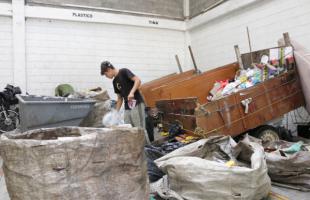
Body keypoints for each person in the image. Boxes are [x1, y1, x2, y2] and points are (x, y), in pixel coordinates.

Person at [100, 61, 147, 131]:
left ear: (109, 70)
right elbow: (119, 98)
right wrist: (115, 112)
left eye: (106, 75)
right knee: (129, 130)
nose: (106, 77)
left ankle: (145, 142)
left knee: (140, 129)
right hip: (127, 107)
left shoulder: (124, 71)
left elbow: (138, 80)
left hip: (136, 104)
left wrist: (132, 92)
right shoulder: (114, 82)